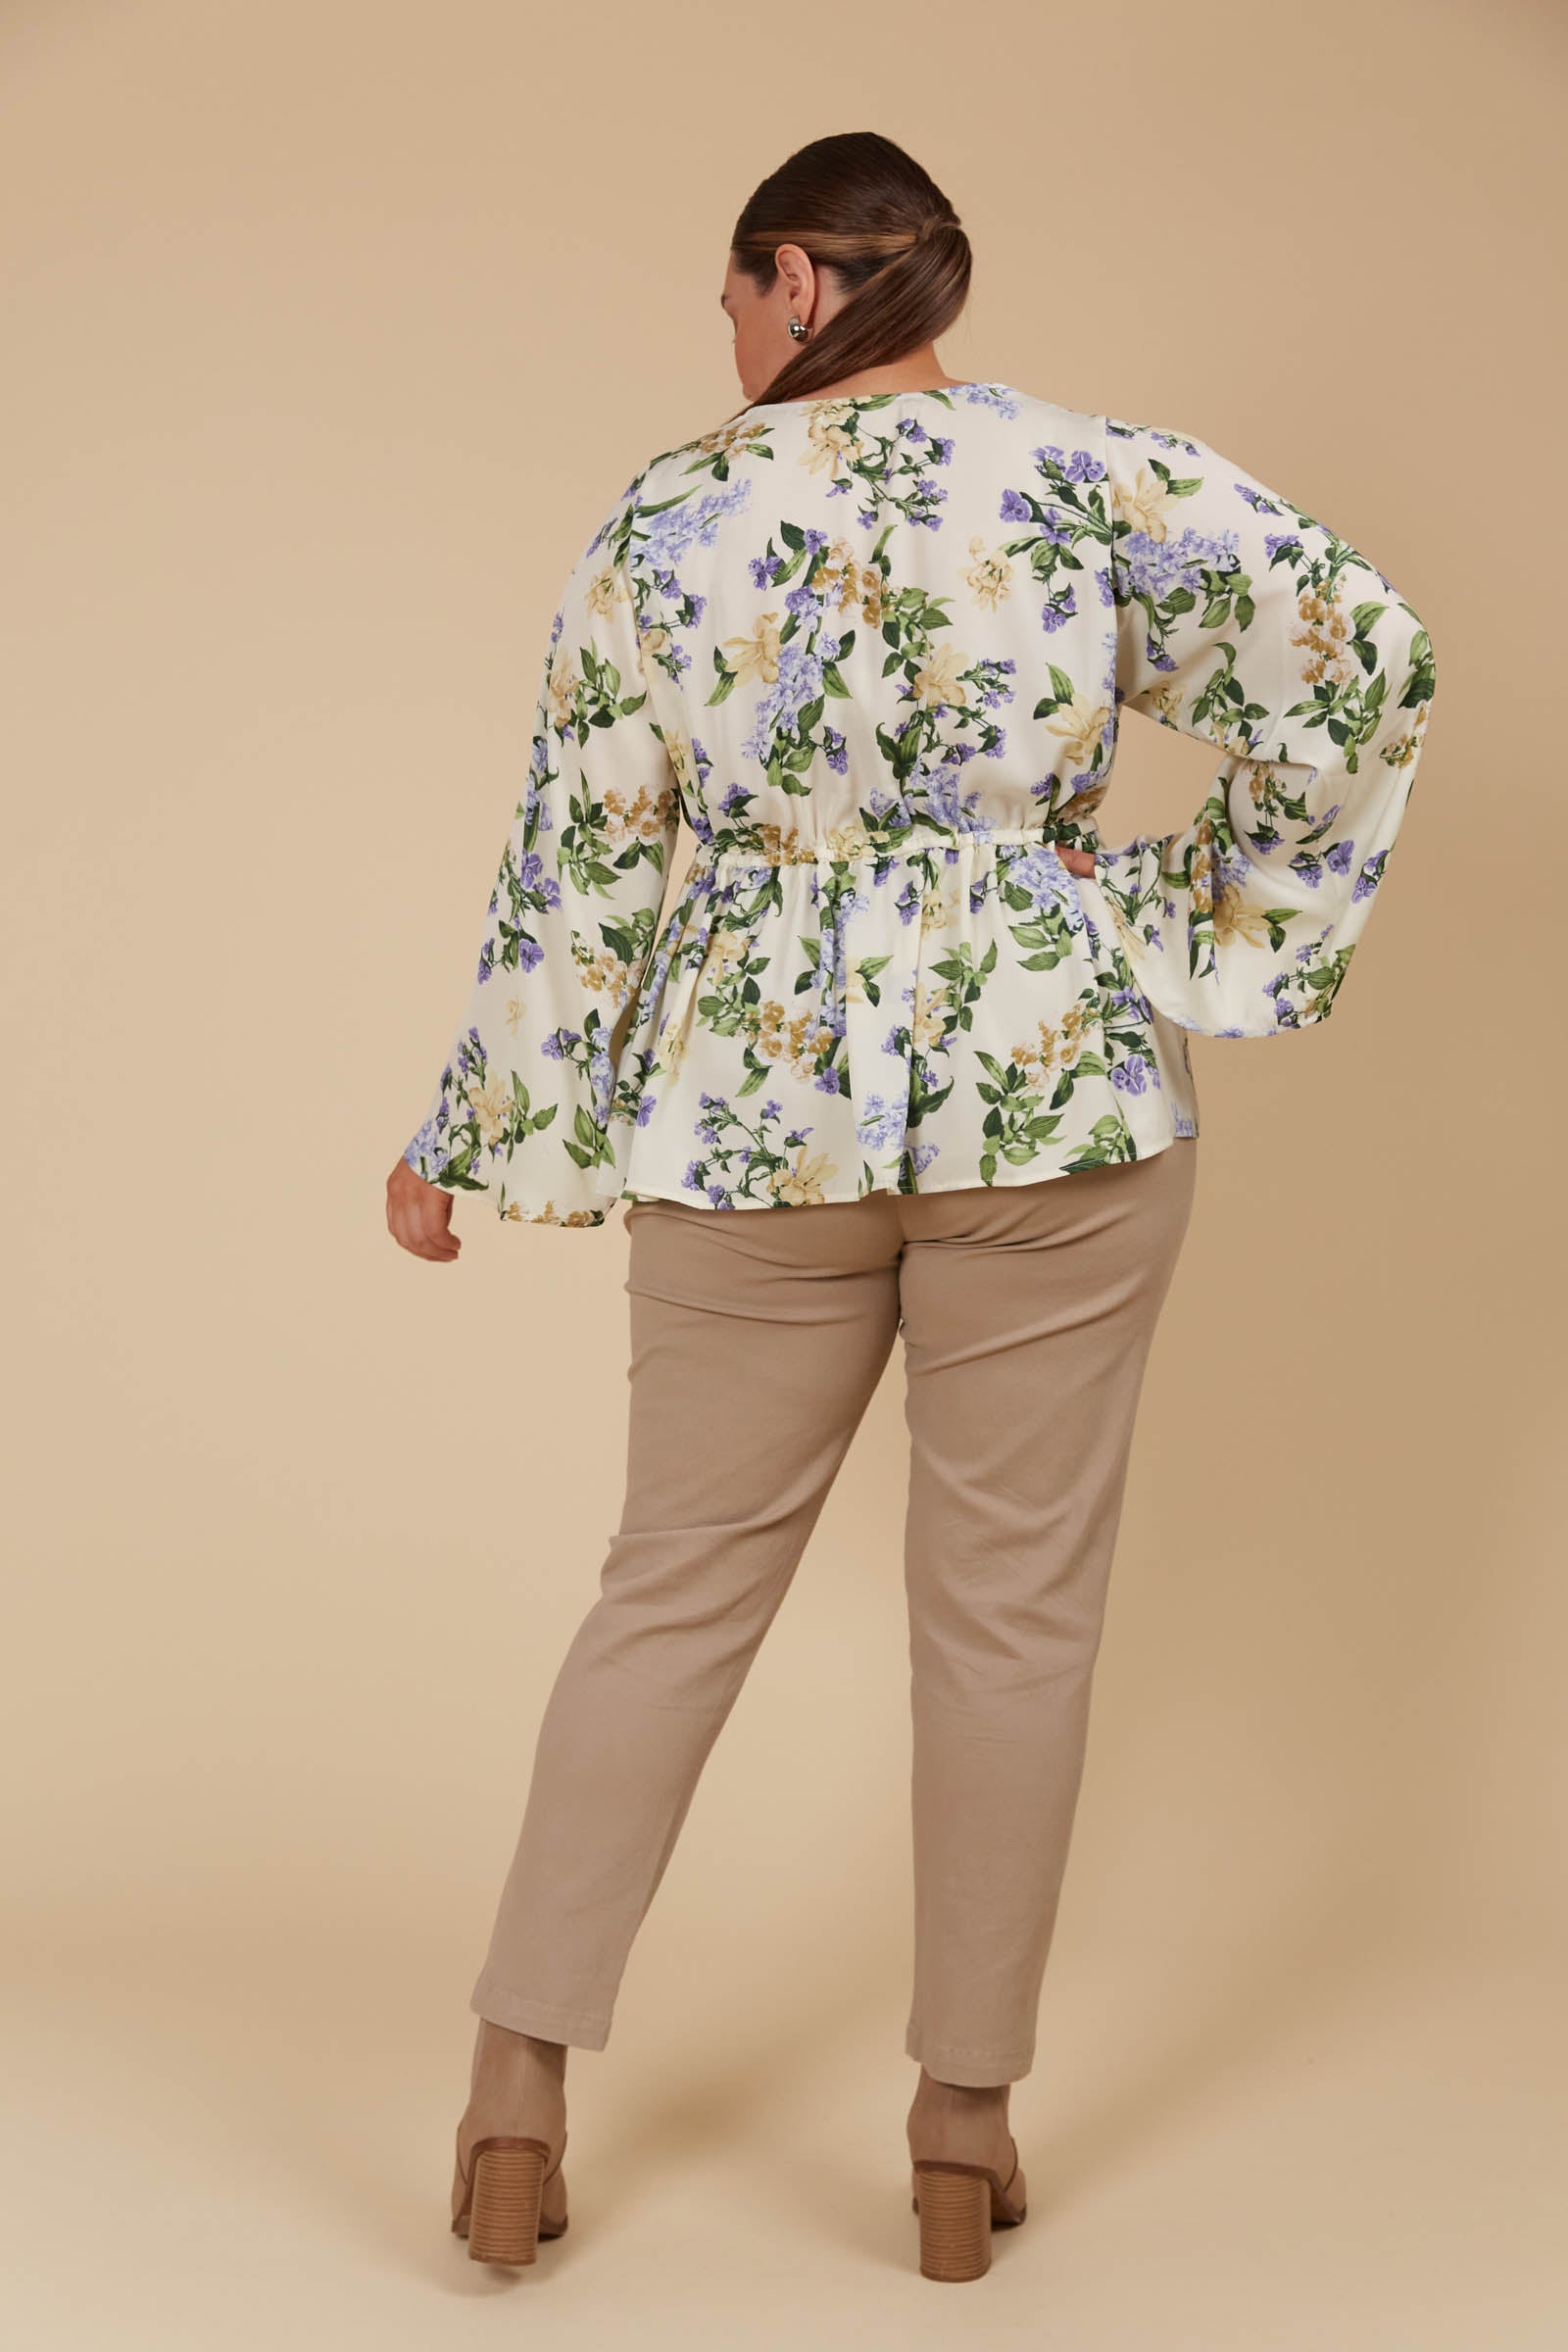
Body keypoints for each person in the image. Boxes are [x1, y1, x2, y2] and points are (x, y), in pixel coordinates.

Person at [387, 131, 1437, 2282]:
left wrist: (475, 1126)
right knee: (1012, 1620)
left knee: (670, 1592)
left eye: (726, 299)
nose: (724, 340)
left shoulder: (671, 513)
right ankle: (961, 2133)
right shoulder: (1093, 478)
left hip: (747, 1116)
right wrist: (1170, 908)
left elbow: (580, 853)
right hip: (1054, 1095)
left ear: (794, 279)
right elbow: (1364, 659)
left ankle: (513, 2094)